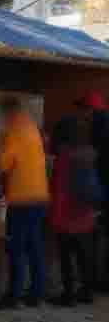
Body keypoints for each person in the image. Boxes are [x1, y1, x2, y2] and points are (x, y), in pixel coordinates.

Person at [0, 97, 49, 309]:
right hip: (39, 196)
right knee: (34, 247)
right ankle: (37, 293)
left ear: (7, 113)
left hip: (22, 198)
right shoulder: (31, 127)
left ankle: (13, 295)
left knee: (16, 248)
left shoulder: (14, 130)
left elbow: (4, 163)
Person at [48, 117, 95, 306]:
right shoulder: (89, 153)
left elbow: (59, 190)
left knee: (66, 257)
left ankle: (68, 295)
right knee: (84, 257)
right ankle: (86, 292)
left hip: (67, 215)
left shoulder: (64, 157)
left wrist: (54, 217)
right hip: (85, 214)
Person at [74, 91, 109, 291]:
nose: (82, 114)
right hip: (102, 187)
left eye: (83, 109)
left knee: (96, 236)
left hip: (102, 188)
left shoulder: (99, 126)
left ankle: (96, 282)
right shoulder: (102, 122)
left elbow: (94, 157)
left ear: (91, 109)